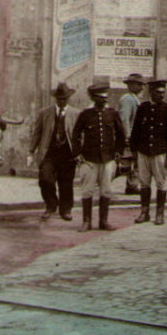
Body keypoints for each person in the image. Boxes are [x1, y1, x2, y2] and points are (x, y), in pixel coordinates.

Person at [72, 80, 127, 231]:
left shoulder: (112, 113)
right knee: (87, 190)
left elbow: (121, 135)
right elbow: (75, 134)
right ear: (94, 98)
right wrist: (77, 154)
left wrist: (118, 153)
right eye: (101, 98)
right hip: (89, 159)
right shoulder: (85, 114)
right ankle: (86, 221)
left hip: (108, 159)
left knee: (106, 190)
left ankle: (104, 221)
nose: (104, 100)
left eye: (105, 98)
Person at [129, 79, 167, 225]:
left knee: (161, 183)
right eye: (158, 93)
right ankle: (144, 212)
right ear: (151, 92)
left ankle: (160, 213)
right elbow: (136, 131)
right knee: (144, 183)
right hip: (143, 151)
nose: (161, 96)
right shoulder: (143, 108)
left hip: (160, 152)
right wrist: (134, 150)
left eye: (163, 93)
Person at [28, 82, 80, 221]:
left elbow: (80, 135)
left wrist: (80, 153)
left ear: (68, 98)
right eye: (59, 99)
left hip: (68, 154)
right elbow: (37, 133)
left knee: (66, 183)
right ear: (55, 99)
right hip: (49, 153)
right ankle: (51, 205)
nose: (61, 101)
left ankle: (66, 210)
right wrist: (31, 151)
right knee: (45, 179)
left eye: (64, 99)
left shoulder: (76, 114)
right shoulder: (45, 112)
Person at [118, 72, 146, 193]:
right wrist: (127, 135)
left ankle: (132, 186)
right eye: (139, 84)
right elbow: (124, 119)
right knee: (126, 163)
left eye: (142, 84)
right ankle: (104, 179)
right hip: (130, 135)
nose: (141, 87)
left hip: (136, 136)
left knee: (135, 161)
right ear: (131, 85)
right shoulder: (127, 99)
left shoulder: (134, 99)